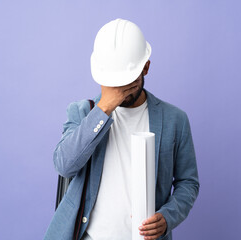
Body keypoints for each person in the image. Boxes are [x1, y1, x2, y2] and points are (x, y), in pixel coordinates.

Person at [44, 18, 199, 240]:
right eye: (113, 81)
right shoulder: (82, 112)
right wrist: (104, 108)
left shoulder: (175, 119)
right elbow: (64, 165)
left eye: (127, 82)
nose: (120, 90)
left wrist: (167, 217)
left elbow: (188, 182)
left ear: (145, 67)